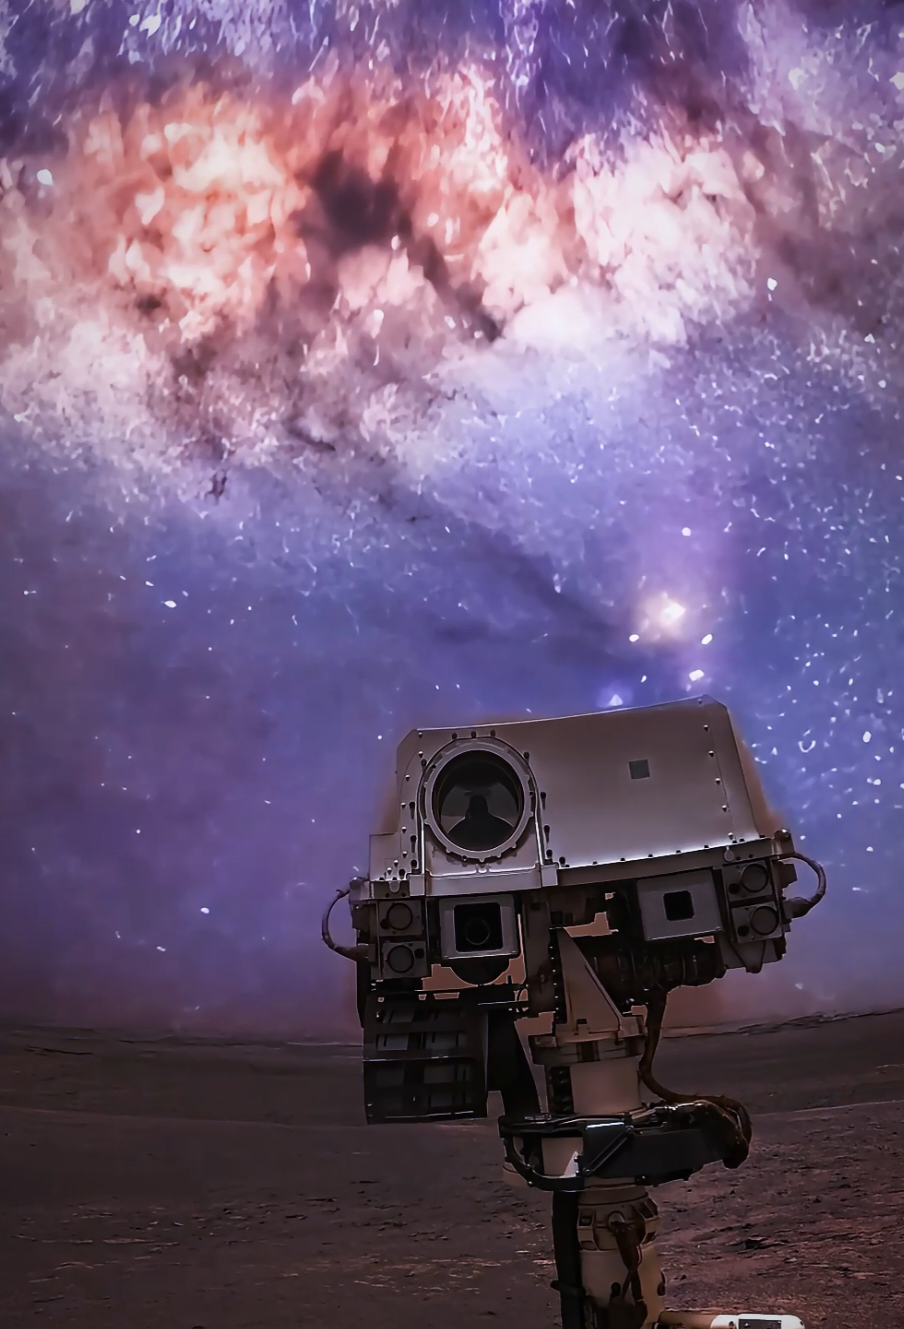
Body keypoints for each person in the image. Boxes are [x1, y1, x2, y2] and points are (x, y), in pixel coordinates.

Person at [448, 793, 513, 850]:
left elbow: (450, 842)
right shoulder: (503, 827)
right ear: (486, 807)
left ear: (469, 809)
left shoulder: (458, 831)